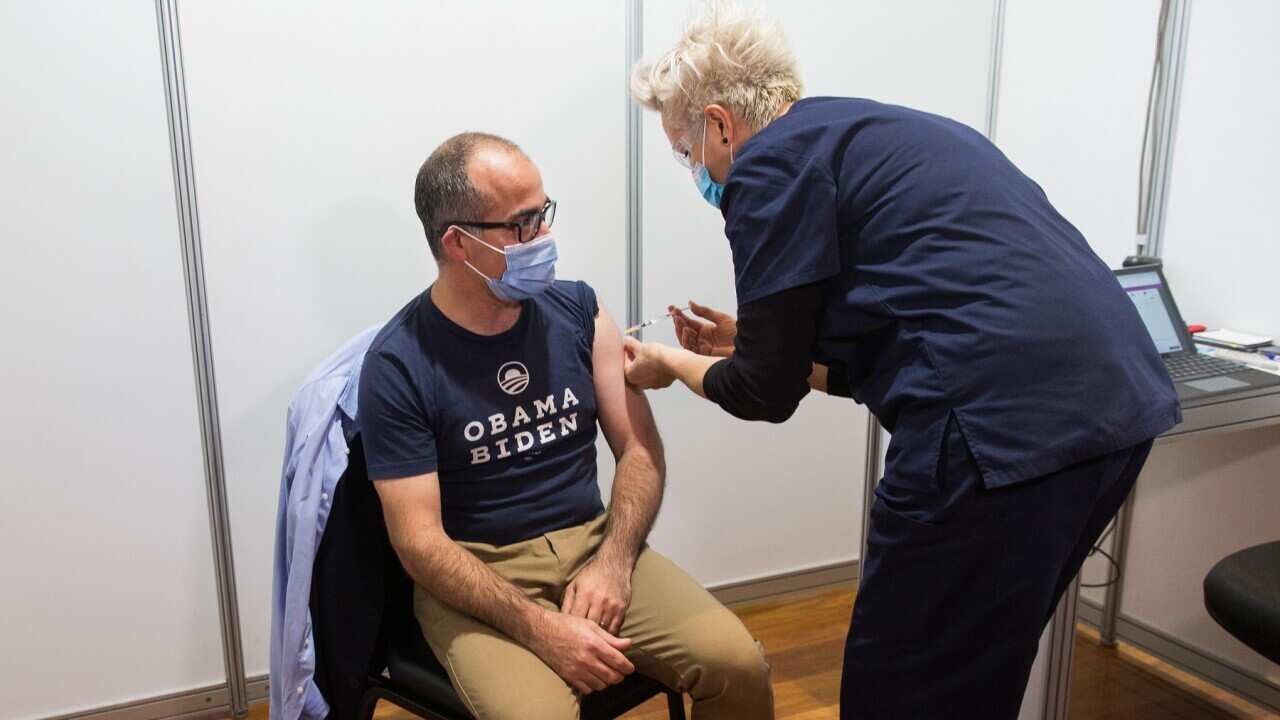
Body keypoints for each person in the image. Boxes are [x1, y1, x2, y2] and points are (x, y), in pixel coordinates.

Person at [621, 3, 1181, 718]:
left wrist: (670, 364)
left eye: (683, 147)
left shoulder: (768, 166)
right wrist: (749, 340)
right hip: (1115, 409)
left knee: (903, 682)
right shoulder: (878, 131)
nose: (690, 167)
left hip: (997, 433)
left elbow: (765, 392)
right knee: (975, 669)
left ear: (721, 125)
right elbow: (884, 349)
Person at [358, 132, 773, 720]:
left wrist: (614, 563)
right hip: (479, 575)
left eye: (544, 213)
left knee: (737, 665)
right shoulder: (398, 364)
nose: (544, 238)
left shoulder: (578, 311)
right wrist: (538, 627)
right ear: (459, 243)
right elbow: (418, 542)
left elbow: (639, 450)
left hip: (592, 546)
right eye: (522, 224)